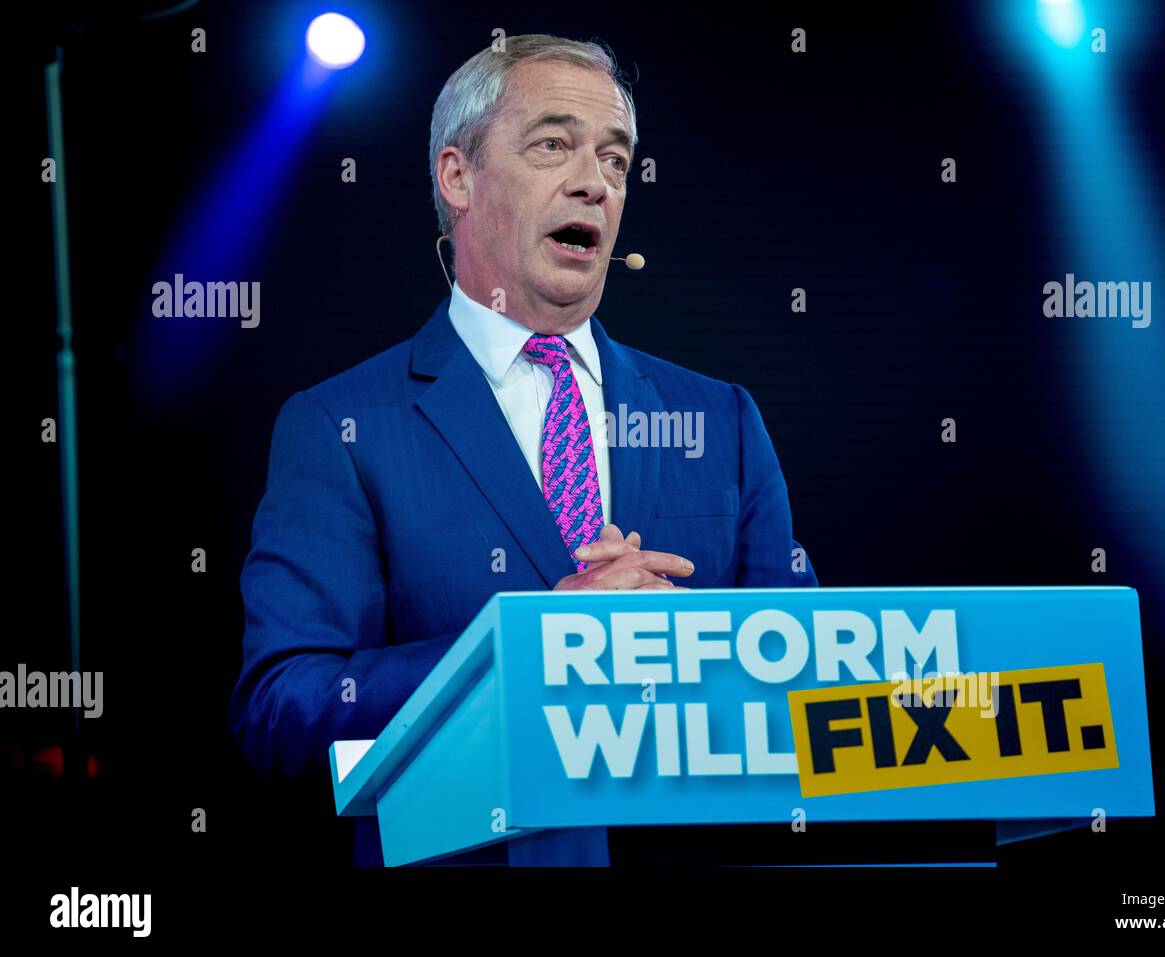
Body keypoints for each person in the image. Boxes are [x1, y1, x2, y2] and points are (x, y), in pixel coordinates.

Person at [229, 33, 817, 866]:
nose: (594, 182)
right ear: (457, 177)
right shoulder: (341, 426)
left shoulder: (720, 419)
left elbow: (809, 684)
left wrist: (691, 655)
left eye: (615, 160)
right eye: (552, 145)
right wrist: (534, 646)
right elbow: (281, 712)